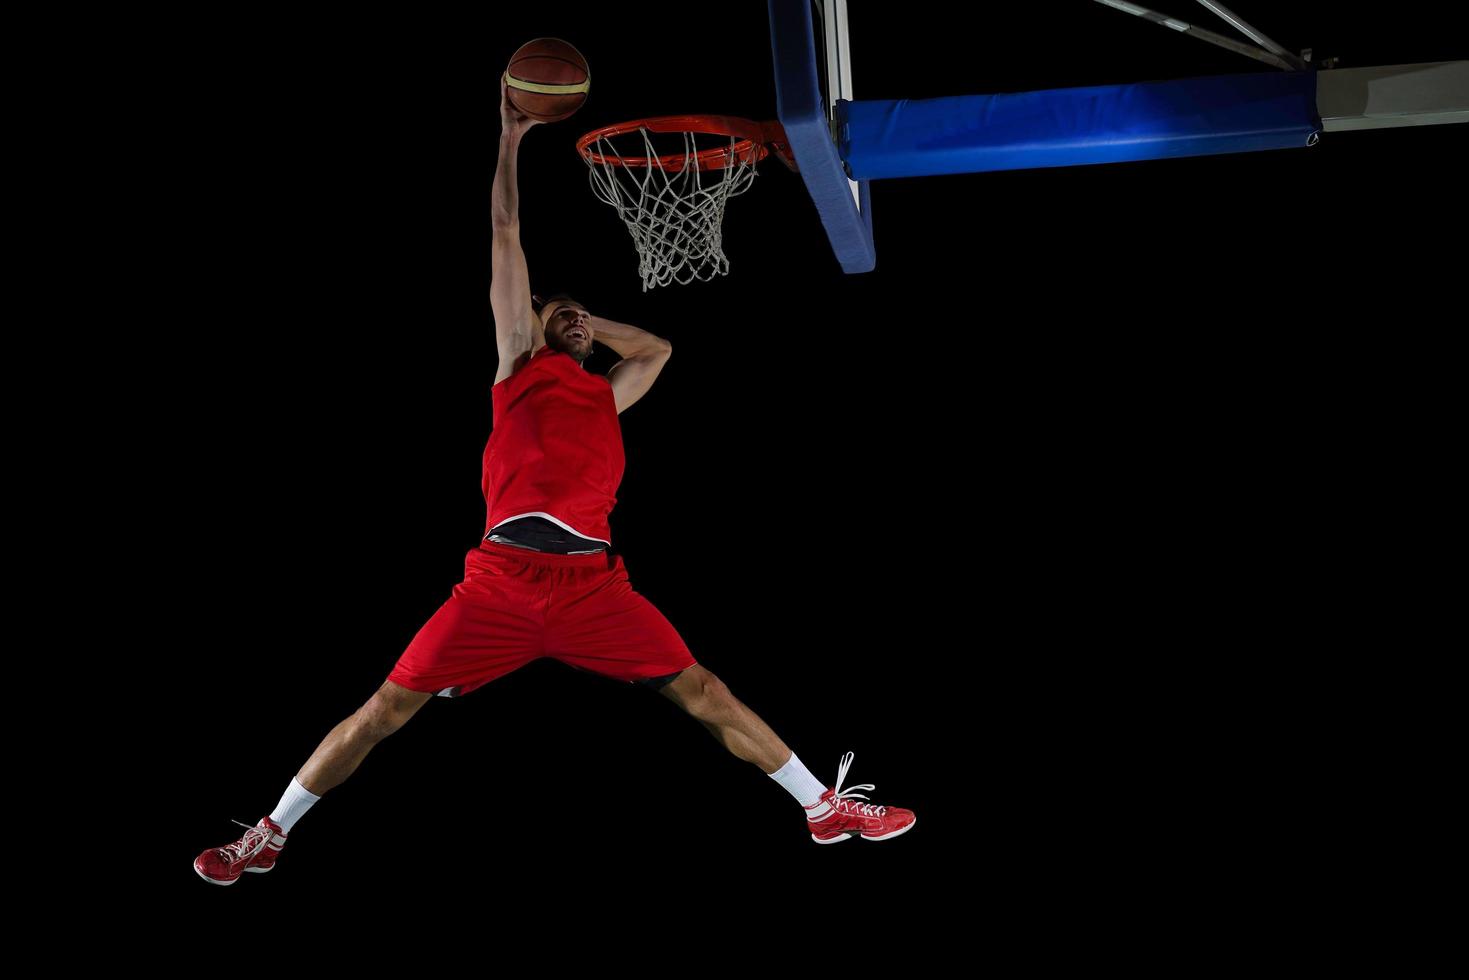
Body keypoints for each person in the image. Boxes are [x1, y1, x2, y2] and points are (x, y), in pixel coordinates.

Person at [192, 74, 915, 886]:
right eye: (555, 314)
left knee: (705, 691)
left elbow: (657, 350)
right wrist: (510, 143)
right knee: (382, 711)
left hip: (591, 588)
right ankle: (267, 834)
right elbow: (505, 230)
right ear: (525, 324)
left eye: (578, 316)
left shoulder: (604, 393)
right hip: (498, 584)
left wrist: (578, 315)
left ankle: (823, 808)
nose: (571, 321)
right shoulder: (515, 367)